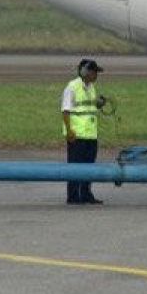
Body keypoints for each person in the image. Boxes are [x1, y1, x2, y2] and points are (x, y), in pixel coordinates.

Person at [62, 58, 106, 205]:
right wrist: (69, 131)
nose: (96, 76)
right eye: (94, 72)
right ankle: (73, 196)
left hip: (91, 135)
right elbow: (66, 111)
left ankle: (86, 194)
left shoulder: (91, 87)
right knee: (75, 167)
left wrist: (99, 104)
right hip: (77, 135)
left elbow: (89, 107)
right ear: (85, 72)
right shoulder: (72, 87)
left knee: (89, 166)